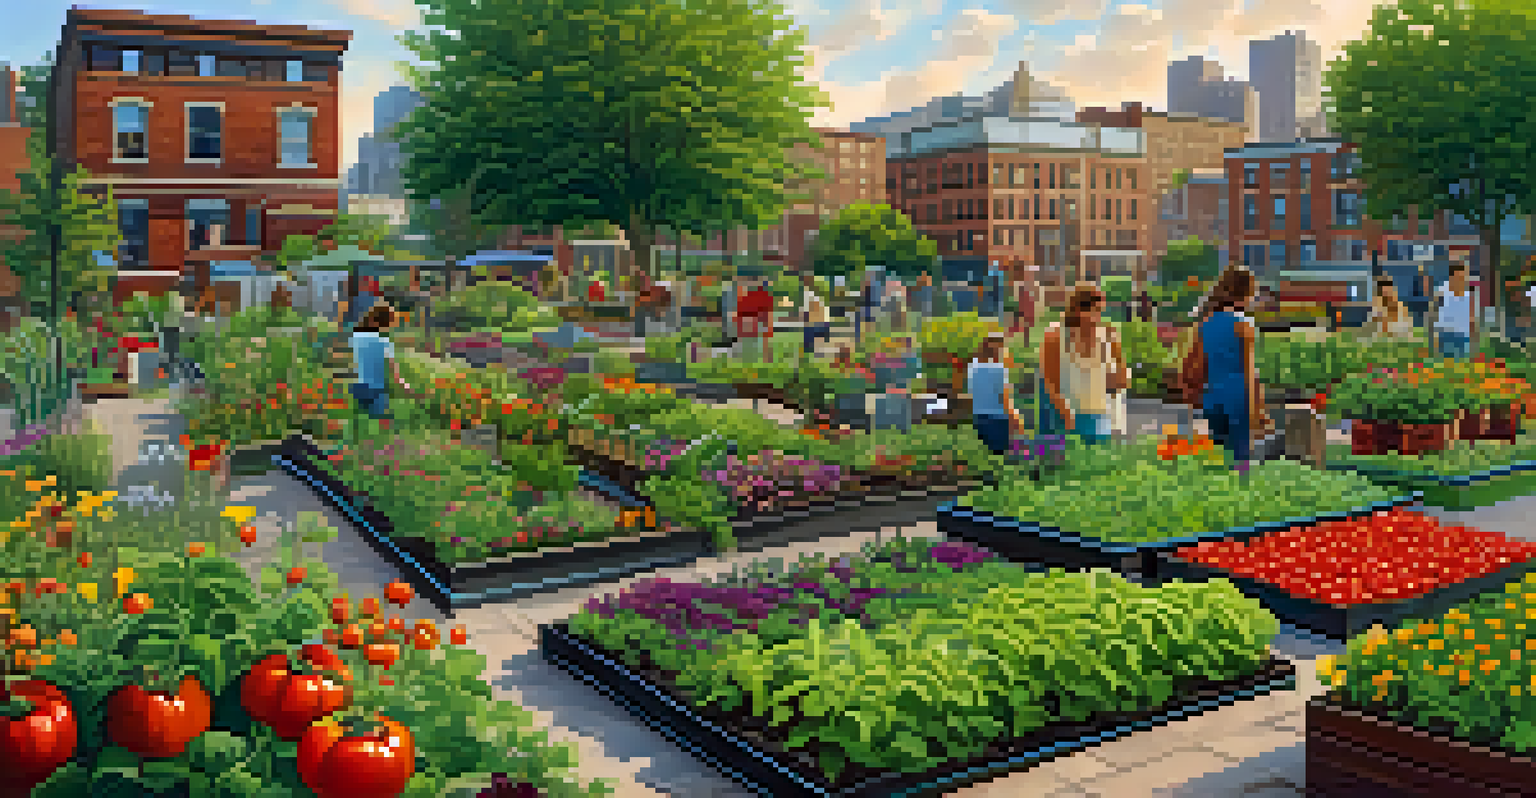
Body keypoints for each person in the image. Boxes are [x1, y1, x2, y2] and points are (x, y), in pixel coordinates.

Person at [1185, 267, 1272, 464]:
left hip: (1213, 398)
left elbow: (1196, 365)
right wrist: (1259, 409)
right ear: (1246, 292)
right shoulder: (1243, 323)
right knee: (1241, 461)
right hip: (1239, 398)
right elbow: (1250, 371)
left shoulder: (1206, 322)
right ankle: (1241, 491)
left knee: (1220, 459)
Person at [1039, 283, 1128, 446]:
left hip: (1100, 418)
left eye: (1099, 311)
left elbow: (1120, 382)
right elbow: (1050, 383)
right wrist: (1067, 416)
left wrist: (1118, 356)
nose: (1096, 318)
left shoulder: (1108, 336)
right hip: (1064, 419)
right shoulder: (1055, 335)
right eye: (1092, 311)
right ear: (1077, 309)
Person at [350, 303, 411, 419]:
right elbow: (395, 372)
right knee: (377, 423)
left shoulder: (356, 337)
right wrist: (404, 384)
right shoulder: (384, 342)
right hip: (376, 390)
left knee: (362, 421)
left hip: (358, 387)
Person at [968, 332, 1023, 456]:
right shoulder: (999, 370)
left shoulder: (972, 368)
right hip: (997, 423)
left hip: (978, 420)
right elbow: (1005, 400)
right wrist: (1018, 421)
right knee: (999, 460)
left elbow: (971, 393)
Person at [1432, 260, 1478, 359]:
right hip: (1446, 333)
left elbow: (1472, 316)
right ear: (1451, 277)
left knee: (1462, 363)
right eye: (1459, 276)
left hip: (1463, 335)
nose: (1461, 279)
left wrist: (1473, 336)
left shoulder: (1470, 291)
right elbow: (1436, 313)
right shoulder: (1442, 291)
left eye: (1463, 276)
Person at [800, 273, 831, 354]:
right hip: (819, 318)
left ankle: (813, 349)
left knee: (813, 334)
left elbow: (814, 306)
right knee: (815, 335)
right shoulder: (808, 292)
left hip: (817, 318)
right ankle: (812, 349)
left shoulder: (810, 293)